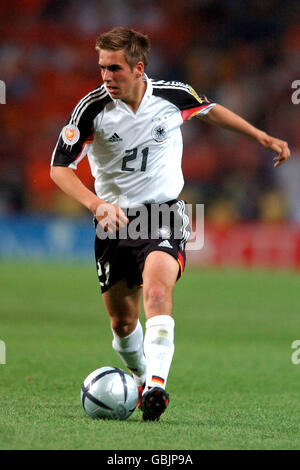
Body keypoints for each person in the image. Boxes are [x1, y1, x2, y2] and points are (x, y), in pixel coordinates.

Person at [50, 26, 290, 421]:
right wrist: (95, 204)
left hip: (162, 213)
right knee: (122, 323)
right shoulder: (91, 110)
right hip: (113, 222)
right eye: (102, 68)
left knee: (158, 294)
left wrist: (261, 137)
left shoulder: (172, 95)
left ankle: (157, 384)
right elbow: (59, 168)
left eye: (114, 69)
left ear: (138, 67)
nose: (106, 77)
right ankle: (143, 381)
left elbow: (211, 110)